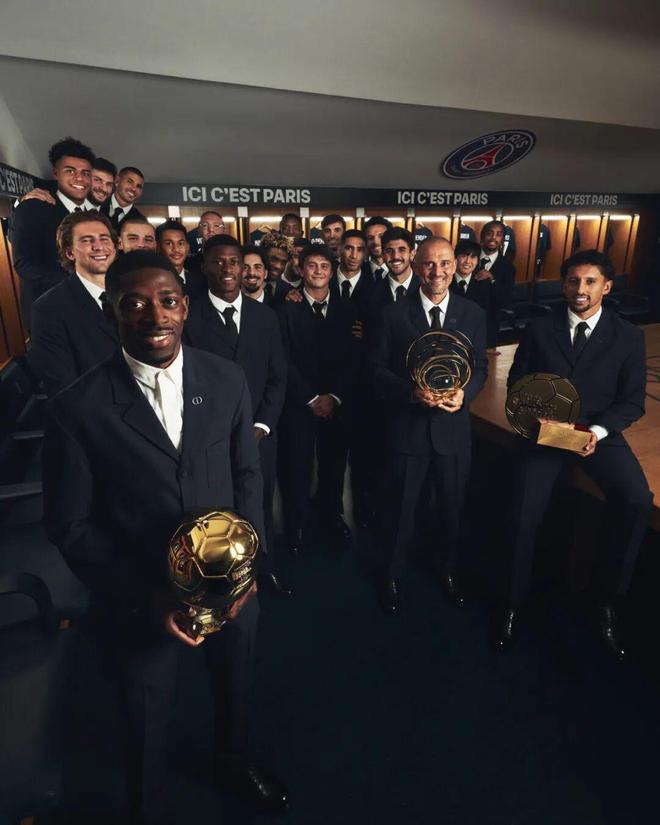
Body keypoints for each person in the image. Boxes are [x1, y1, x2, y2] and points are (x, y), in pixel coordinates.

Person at [43, 250, 289, 822]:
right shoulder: (76, 408)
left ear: (186, 307)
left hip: (233, 587)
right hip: (143, 595)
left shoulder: (226, 378)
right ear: (110, 314)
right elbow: (70, 524)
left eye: (168, 300)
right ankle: (146, 805)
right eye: (134, 304)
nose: (155, 316)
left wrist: (251, 567)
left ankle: (232, 760)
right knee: (144, 712)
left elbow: (246, 475)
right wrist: (147, 598)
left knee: (235, 684)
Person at [498, 250, 653, 657]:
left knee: (637, 500)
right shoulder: (539, 328)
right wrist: (540, 420)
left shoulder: (628, 336)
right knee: (522, 514)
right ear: (564, 284)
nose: (580, 289)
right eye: (573, 281)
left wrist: (596, 432)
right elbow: (518, 384)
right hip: (547, 434)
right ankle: (511, 603)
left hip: (598, 434)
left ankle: (605, 600)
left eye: (589, 282)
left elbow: (632, 401)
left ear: (607, 287)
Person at [370, 237, 488, 612]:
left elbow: (480, 366)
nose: (437, 272)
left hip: (452, 433)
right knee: (400, 511)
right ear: (416, 266)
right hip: (407, 432)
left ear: (455, 265)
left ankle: (447, 568)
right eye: (429, 264)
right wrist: (410, 393)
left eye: (445, 263)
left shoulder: (473, 313)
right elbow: (375, 370)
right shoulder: (392, 314)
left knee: (451, 509)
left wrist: (465, 394)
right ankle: (391, 575)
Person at [184, 235, 290, 596]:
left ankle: (264, 569)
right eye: (218, 261)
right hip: (208, 439)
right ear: (204, 267)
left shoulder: (266, 316)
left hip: (259, 436)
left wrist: (261, 426)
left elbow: (278, 376)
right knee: (215, 513)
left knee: (259, 504)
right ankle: (220, 580)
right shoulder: (189, 315)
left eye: (234, 262)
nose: (227, 268)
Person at [277, 244, 360, 554]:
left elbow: (354, 359)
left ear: (332, 270)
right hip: (299, 403)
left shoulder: (347, 309)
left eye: (325, 266)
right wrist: (311, 398)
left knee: (334, 466)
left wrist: (334, 397)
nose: (318, 271)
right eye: (312, 265)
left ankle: (331, 517)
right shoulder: (285, 308)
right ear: (301, 268)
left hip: (336, 403)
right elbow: (282, 359)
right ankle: (295, 524)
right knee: (297, 467)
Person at [29, 210, 119, 396]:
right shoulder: (48, 309)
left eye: (104, 239)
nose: (99, 246)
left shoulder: (133, 291)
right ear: (69, 252)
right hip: (98, 409)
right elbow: (63, 388)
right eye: (87, 240)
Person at [11, 136, 95, 326]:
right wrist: (79, 283)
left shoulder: (92, 215)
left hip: (89, 311)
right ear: (56, 173)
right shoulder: (33, 207)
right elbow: (24, 264)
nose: (79, 178)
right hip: (49, 311)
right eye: (70, 171)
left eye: (85, 173)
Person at [451, 239, 503, 348]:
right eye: (464, 256)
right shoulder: (445, 280)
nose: (468, 261)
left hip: (474, 340)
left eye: (473, 257)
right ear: (455, 258)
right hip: (449, 339)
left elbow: (488, 316)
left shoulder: (484, 282)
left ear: (478, 260)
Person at [474, 220, 516, 348]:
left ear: (502, 239)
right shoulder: (469, 259)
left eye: (498, 234)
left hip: (489, 323)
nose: (493, 238)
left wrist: (492, 279)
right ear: (482, 236)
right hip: (464, 319)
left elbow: (505, 299)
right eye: (489, 233)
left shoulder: (508, 267)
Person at [156, 219, 205, 297]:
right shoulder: (150, 282)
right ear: (158, 247)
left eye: (180, 243)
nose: (176, 249)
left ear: (188, 247)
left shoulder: (202, 282)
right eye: (168, 243)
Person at [260, 231, 293, 306]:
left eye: (283, 262)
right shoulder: (244, 287)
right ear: (262, 256)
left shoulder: (290, 291)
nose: (278, 266)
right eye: (273, 259)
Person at [362, 216, 392, 282]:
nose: (376, 242)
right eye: (370, 238)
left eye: (381, 236)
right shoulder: (358, 271)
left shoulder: (401, 270)